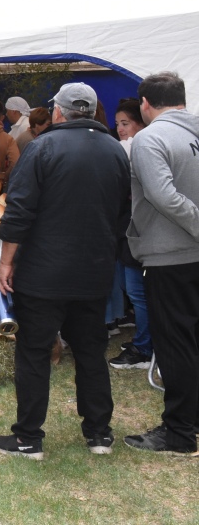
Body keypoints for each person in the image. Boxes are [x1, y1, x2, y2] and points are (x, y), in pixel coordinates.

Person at [0, 82, 130, 460]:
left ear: (58, 112)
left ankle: (28, 439)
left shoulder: (41, 147)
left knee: (34, 352)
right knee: (90, 351)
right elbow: (123, 215)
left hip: (43, 273)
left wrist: (5, 263)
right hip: (94, 272)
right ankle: (99, 434)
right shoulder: (116, 150)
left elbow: (18, 211)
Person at [123, 72, 199, 455]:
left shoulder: (149, 138)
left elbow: (163, 196)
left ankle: (180, 433)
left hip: (171, 255)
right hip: (184, 253)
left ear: (145, 103)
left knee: (175, 344)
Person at [107, 98, 152, 369]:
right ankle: (144, 339)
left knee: (138, 292)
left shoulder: (140, 148)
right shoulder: (126, 148)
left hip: (139, 231)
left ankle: (145, 349)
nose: (121, 129)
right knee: (130, 287)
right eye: (117, 124)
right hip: (126, 229)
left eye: (126, 123)